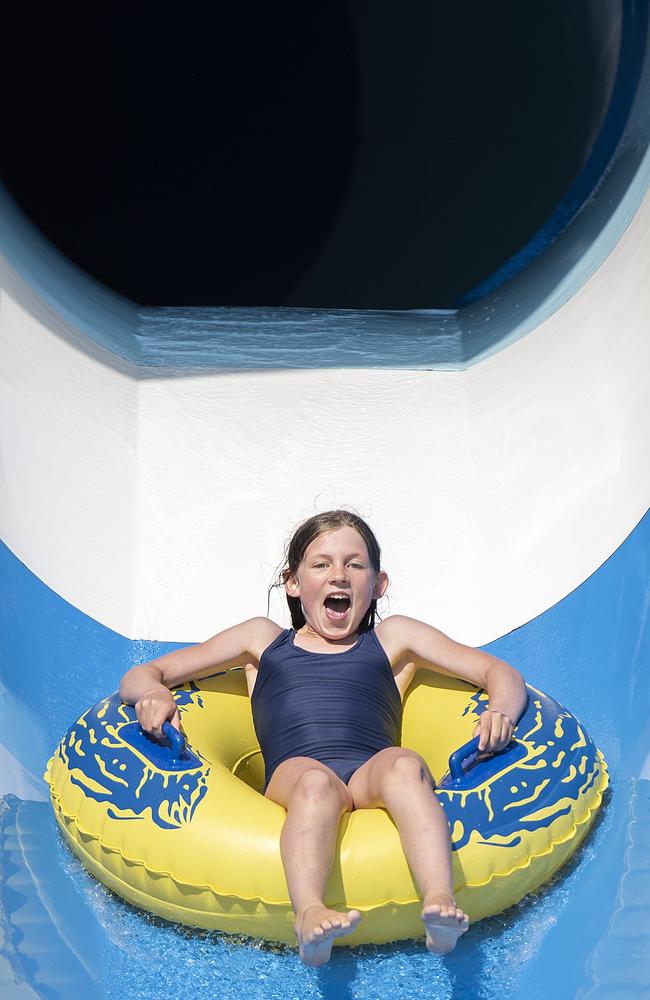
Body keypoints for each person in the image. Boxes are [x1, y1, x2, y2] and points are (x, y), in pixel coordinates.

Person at [119, 509, 527, 967]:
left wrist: (500, 712)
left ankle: (438, 903)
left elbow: (499, 672)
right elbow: (143, 673)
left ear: (378, 585)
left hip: (368, 774)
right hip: (296, 773)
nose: (339, 575)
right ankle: (310, 912)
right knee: (316, 784)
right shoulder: (261, 642)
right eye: (321, 565)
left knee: (406, 765)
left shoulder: (393, 640)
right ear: (292, 582)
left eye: (355, 565)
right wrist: (152, 693)